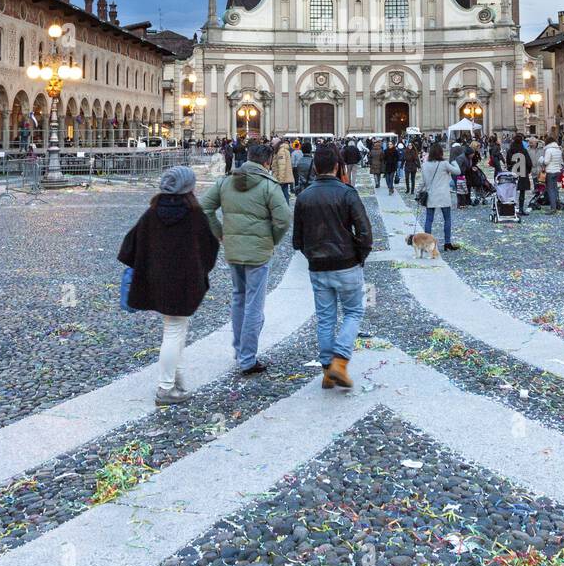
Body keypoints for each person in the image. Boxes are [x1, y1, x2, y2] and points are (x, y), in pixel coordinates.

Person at [118, 166, 220, 406]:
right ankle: (165, 388)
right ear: (188, 188)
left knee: (176, 332)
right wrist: (198, 271)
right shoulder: (195, 215)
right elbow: (210, 249)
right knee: (174, 333)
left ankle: (178, 382)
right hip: (184, 285)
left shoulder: (151, 213)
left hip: (157, 282)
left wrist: (150, 265)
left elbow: (127, 248)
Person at [200, 142, 290, 375]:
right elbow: (283, 219)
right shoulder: (269, 186)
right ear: (267, 162)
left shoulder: (225, 182)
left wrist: (220, 233)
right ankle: (247, 359)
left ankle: (240, 350)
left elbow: (204, 208)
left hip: (233, 250)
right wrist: (271, 239)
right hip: (258, 253)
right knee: (253, 305)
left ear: (248, 157)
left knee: (239, 298)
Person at [292, 144, 373, 389]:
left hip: (318, 267)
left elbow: (297, 240)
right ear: (337, 166)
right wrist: (359, 255)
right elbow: (366, 231)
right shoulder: (347, 193)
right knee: (354, 312)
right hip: (347, 264)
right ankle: (339, 361)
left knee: (325, 318)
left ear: (315, 166)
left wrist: (313, 256)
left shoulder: (304, 196)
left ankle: (327, 370)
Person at [420, 141, 460, 251]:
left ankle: (427, 243)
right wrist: (454, 161)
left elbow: (422, 182)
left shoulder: (425, 165)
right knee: (447, 219)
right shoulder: (444, 164)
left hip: (431, 195)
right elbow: (458, 171)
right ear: (441, 153)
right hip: (443, 196)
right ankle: (447, 243)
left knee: (429, 220)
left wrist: (419, 193)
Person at [506, 132, 532, 216]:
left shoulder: (510, 151)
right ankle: (521, 209)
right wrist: (528, 171)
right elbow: (529, 163)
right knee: (522, 192)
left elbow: (508, 162)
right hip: (522, 172)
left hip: (513, 172)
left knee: (512, 192)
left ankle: (511, 209)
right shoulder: (523, 151)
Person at [542, 135, 563, 211]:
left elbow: (546, 161)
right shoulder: (558, 149)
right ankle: (557, 204)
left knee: (550, 190)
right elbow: (560, 161)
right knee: (555, 189)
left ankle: (553, 207)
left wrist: (542, 160)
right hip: (557, 171)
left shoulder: (548, 150)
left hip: (550, 171)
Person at [270, 137, 294, 201]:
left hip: (281, 178)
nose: (271, 145)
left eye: (272, 143)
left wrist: (280, 180)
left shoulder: (281, 151)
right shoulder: (281, 149)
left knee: (281, 196)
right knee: (285, 194)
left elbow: (282, 166)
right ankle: (286, 208)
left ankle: (285, 208)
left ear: (276, 143)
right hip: (283, 177)